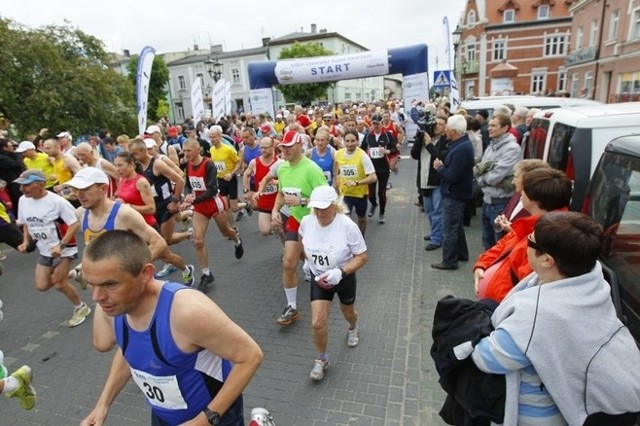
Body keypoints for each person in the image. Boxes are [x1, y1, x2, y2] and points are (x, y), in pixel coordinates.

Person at [471, 211, 640, 425]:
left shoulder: (539, 314)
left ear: (547, 260)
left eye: (530, 240)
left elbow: (487, 359)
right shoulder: (592, 278)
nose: (526, 241)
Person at [79, 230, 263, 426]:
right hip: (164, 416)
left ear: (145, 274)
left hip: (213, 416)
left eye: (110, 284)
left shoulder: (187, 312)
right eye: (92, 284)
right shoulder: (115, 307)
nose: (96, 297)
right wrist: (102, 405)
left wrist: (202, 421)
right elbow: (125, 349)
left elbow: (250, 356)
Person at [66, 167, 195, 287]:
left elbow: (159, 243)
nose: (79, 195)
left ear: (103, 189)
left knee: (167, 257)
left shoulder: (124, 214)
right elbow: (95, 247)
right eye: (76, 190)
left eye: (85, 189)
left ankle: (186, 269)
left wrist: (132, 271)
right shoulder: (80, 213)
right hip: (110, 287)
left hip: (142, 234)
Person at [299, 186, 368, 382]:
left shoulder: (347, 226)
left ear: (335, 206)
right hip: (319, 278)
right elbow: (302, 240)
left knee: (348, 312)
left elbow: (362, 257)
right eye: (316, 208)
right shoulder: (307, 222)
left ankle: (353, 327)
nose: (319, 213)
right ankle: (322, 359)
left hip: (343, 277)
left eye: (323, 208)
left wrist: (341, 271)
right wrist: (306, 261)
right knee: (317, 322)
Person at [473, 168, 572, 302]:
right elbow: (501, 246)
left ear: (535, 200)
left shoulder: (547, 238)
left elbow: (528, 288)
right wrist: (481, 265)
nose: (520, 193)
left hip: (504, 309)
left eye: (524, 190)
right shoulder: (531, 226)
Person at [14, 170, 92, 327]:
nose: (22, 189)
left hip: (64, 248)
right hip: (45, 249)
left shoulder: (58, 202)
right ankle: (76, 273)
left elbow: (74, 224)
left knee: (58, 283)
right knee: (41, 285)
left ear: (41, 185)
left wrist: (61, 244)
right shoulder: (23, 200)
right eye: (21, 186)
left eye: (26, 185)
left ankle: (81, 307)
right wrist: (25, 241)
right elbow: (26, 223)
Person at [271, 130, 328, 326]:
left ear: (299, 146)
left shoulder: (312, 169)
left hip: (315, 222)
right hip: (296, 220)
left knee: (318, 265)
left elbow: (327, 198)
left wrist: (302, 200)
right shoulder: (282, 169)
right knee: (288, 263)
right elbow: (280, 193)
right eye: (282, 147)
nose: (285, 150)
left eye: (288, 146)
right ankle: (292, 307)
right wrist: (275, 210)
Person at [180, 139, 244, 292]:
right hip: (200, 207)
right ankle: (206, 274)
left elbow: (213, 189)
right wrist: (188, 195)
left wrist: (195, 198)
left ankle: (237, 241)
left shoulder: (208, 164)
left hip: (214, 204)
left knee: (225, 232)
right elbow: (188, 184)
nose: (185, 153)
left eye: (188, 151)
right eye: (184, 150)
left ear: (198, 150)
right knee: (198, 240)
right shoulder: (188, 165)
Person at [431, 115, 475, 271]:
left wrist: (440, 167)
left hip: (455, 194)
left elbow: (452, 176)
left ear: (454, 131)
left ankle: (449, 261)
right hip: (456, 193)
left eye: (448, 129)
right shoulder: (459, 144)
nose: (445, 132)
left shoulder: (462, 148)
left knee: (449, 228)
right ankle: (462, 254)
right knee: (456, 226)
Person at [475, 113, 521, 250]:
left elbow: (495, 176)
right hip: (487, 200)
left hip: (500, 204)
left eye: (494, 125)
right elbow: (478, 170)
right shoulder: (491, 146)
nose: (489, 128)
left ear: (505, 127)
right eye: (489, 125)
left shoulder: (512, 149)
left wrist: (483, 178)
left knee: (499, 245)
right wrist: (484, 177)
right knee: (487, 243)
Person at [410, 116, 448, 250]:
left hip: (437, 181)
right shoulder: (423, 138)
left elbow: (441, 156)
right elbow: (414, 155)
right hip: (424, 180)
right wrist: (419, 139)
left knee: (438, 212)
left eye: (440, 124)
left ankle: (437, 239)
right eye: (434, 124)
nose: (436, 126)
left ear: (445, 127)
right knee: (429, 210)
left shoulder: (445, 141)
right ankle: (435, 233)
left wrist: (430, 144)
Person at [333, 129, 377, 236]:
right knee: (345, 219)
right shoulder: (338, 154)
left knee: (361, 218)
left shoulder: (363, 156)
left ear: (357, 141)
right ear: (343, 141)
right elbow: (336, 164)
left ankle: (361, 237)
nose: (350, 144)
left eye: (353, 141)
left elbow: (373, 177)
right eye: (347, 141)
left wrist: (356, 183)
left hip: (359, 194)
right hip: (345, 193)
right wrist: (336, 179)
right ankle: (347, 241)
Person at [361, 113, 398, 224]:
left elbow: (395, 148)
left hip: (383, 168)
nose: (376, 126)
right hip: (371, 169)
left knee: (381, 193)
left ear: (382, 123)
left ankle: (382, 212)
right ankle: (374, 204)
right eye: (374, 124)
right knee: (371, 194)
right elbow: (361, 149)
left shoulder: (387, 135)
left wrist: (387, 151)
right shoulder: (368, 136)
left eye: (378, 123)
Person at [243, 137, 280, 236]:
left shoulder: (279, 163)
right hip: (264, 202)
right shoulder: (254, 162)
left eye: (266, 147)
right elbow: (246, 175)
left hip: (279, 202)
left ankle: (286, 248)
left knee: (282, 231)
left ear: (272, 148)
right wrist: (246, 191)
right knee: (264, 231)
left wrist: (276, 182)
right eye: (261, 147)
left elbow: (288, 180)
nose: (263, 150)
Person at [113, 152, 157, 227]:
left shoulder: (141, 182)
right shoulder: (122, 179)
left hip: (146, 226)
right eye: (116, 166)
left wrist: (127, 206)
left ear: (132, 165)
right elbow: (118, 197)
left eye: (120, 165)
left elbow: (152, 209)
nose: (117, 169)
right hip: (130, 226)